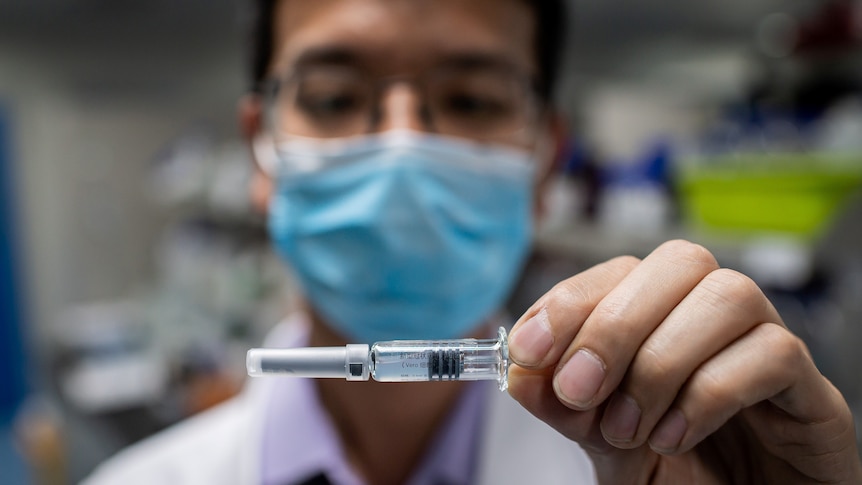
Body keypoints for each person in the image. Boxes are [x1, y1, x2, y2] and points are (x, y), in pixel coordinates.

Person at [84, 0, 862, 484]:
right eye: (333, 97)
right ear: (261, 148)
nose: (401, 149)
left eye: (468, 98)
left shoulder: (663, 462)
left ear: (544, 159)